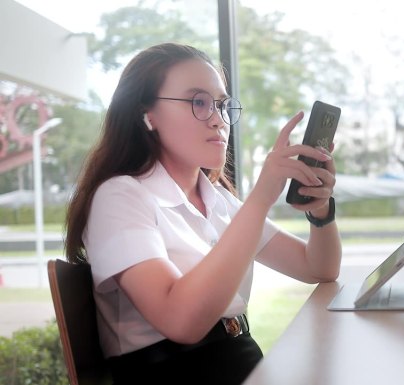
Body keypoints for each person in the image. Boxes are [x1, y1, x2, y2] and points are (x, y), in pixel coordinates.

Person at [64, 42, 342, 385]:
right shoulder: (120, 196)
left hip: (241, 363)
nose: (217, 120)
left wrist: (321, 212)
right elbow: (181, 323)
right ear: (146, 115)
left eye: (222, 105)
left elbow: (318, 267)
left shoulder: (219, 201)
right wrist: (260, 199)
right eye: (198, 102)